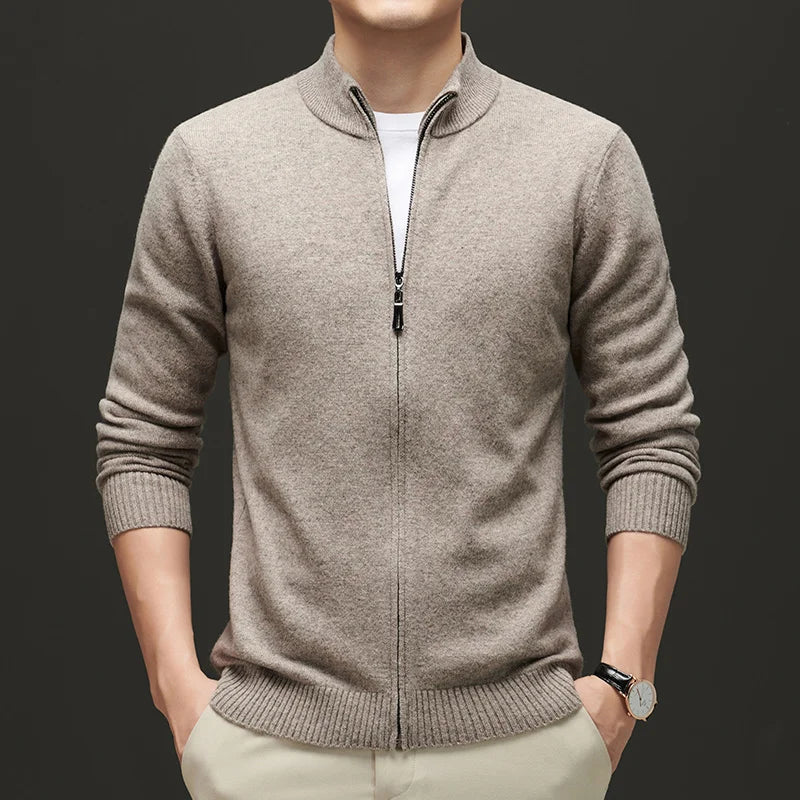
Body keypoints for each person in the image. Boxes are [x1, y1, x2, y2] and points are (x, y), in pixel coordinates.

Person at [95, 2, 702, 798]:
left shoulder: (583, 160)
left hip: (525, 752)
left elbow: (651, 433)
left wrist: (625, 684)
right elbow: (142, 438)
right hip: (269, 752)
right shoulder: (211, 160)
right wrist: (177, 687)